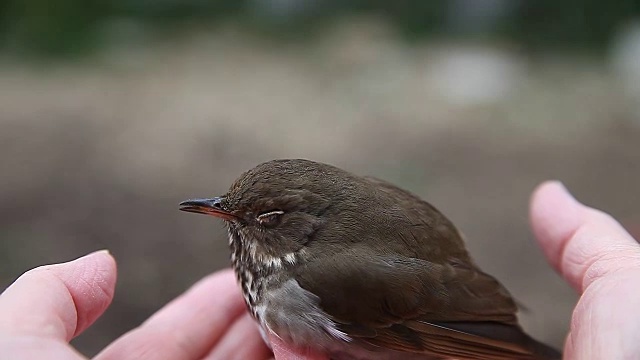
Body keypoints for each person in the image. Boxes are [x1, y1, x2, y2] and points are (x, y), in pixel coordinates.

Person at [1, 181, 638, 359]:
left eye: (264, 217)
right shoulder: (311, 252)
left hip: (447, 312)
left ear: (304, 224)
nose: (226, 216)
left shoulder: (321, 281)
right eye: (232, 208)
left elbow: (452, 331)